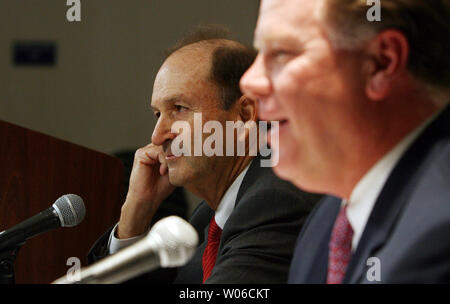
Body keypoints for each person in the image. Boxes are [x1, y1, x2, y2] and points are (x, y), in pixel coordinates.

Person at [88, 28, 321, 283]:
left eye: (179, 109)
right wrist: (135, 216)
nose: (157, 136)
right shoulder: (206, 219)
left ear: (244, 115)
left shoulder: (276, 198)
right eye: (158, 114)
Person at [240, 0, 450, 283]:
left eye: (281, 52)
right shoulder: (325, 225)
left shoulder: (437, 231)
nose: (249, 81)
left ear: (380, 63)